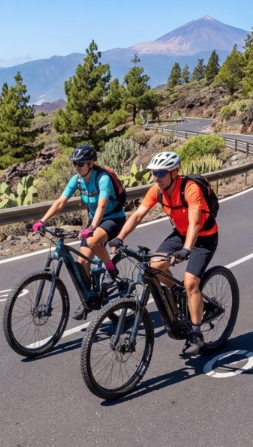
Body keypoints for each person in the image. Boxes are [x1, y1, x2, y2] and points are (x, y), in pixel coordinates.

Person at [107, 151, 218, 356]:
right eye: (154, 173)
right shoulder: (157, 190)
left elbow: (194, 223)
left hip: (204, 236)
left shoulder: (190, 188)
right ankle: (177, 291)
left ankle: (196, 334)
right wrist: (119, 237)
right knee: (153, 267)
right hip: (180, 233)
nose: (156, 177)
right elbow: (138, 215)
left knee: (190, 282)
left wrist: (186, 250)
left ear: (174, 173)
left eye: (160, 173)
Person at [32, 144, 127, 320]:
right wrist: (42, 221)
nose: (77, 166)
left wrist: (91, 228)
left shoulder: (102, 178)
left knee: (93, 241)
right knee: (82, 261)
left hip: (113, 218)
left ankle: (111, 270)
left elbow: (102, 205)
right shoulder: (77, 180)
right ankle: (89, 298)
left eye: (80, 163)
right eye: (74, 163)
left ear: (91, 163)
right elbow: (61, 202)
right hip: (94, 220)